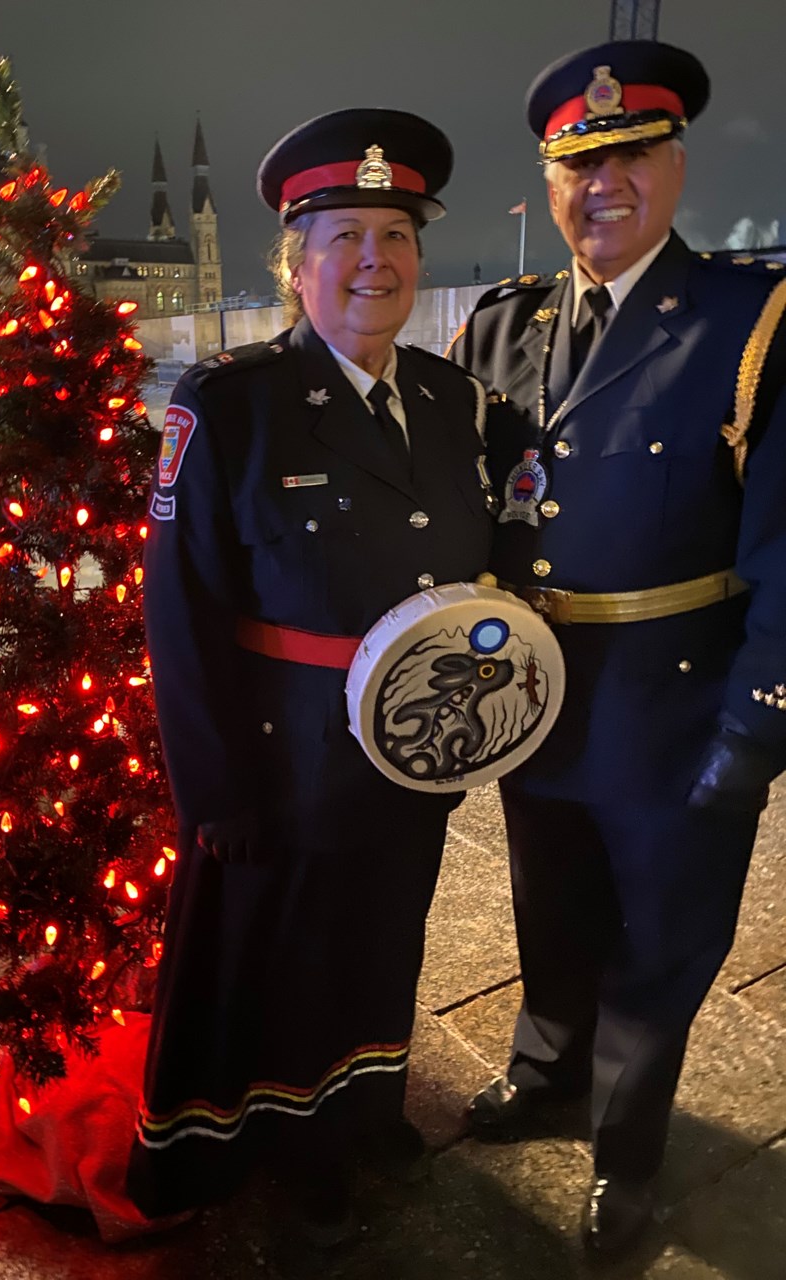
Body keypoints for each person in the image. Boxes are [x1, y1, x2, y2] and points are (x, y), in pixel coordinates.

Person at [127, 108, 493, 1241]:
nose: (374, 259)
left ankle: (369, 1102)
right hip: (286, 753)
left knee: (388, 933)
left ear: (419, 259)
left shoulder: (450, 400)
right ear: (297, 266)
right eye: (344, 236)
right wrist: (214, 788)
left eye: (395, 233)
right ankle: (299, 1150)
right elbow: (177, 608)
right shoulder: (228, 401)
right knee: (293, 958)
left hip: (413, 743)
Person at [448, 39, 786, 1257]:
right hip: (539, 700)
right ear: (548, 182)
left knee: (660, 938)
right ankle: (546, 1070)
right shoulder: (506, 326)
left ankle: (627, 1152)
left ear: (676, 166)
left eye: (631, 157)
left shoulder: (751, 320)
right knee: (552, 908)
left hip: (675, 705)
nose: (605, 185)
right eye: (577, 165)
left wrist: (759, 720)